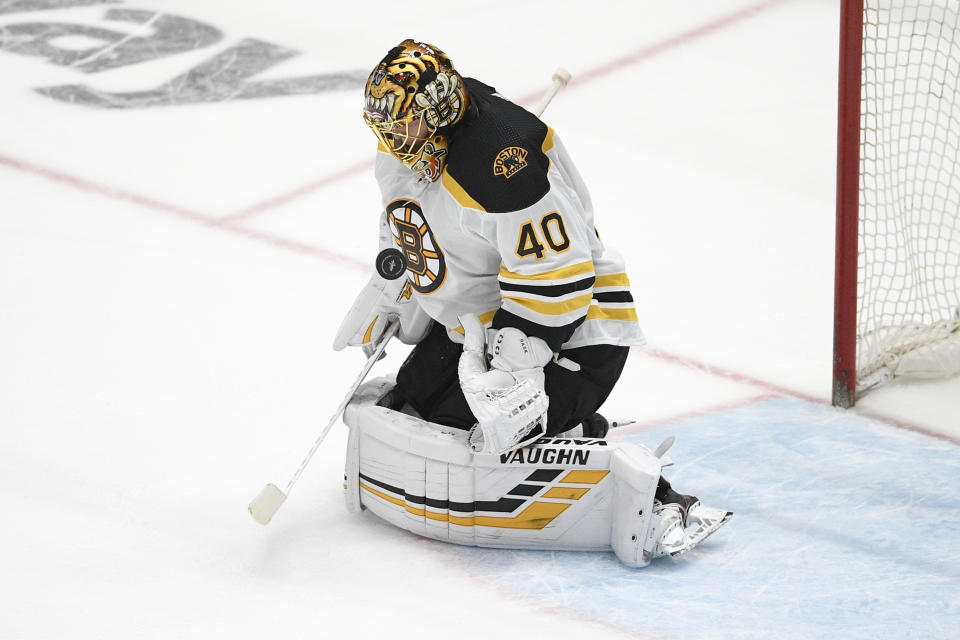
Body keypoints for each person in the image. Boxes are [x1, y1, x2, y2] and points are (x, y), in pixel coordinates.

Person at [335, 39, 731, 559]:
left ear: (435, 111)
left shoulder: (503, 167)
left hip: (575, 337)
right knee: (416, 400)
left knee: (479, 425)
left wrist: (515, 365)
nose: (390, 136)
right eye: (384, 125)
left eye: (403, 123)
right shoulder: (406, 148)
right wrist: (395, 290)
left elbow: (558, 275)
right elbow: (407, 221)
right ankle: (544, 416)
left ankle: (618, 466)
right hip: (479, 330)